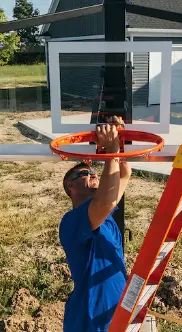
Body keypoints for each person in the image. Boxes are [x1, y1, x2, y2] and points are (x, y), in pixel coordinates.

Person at [59, 118, 132, 332]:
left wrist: (120, 137)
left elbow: (125, 173)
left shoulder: (106, 216)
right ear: (70, 186)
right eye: (85, 173)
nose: (92, 174)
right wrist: (111, 148)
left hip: (115, 315)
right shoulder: (71, 222)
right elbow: (107, 200)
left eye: (94, 173)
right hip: (89, 321)